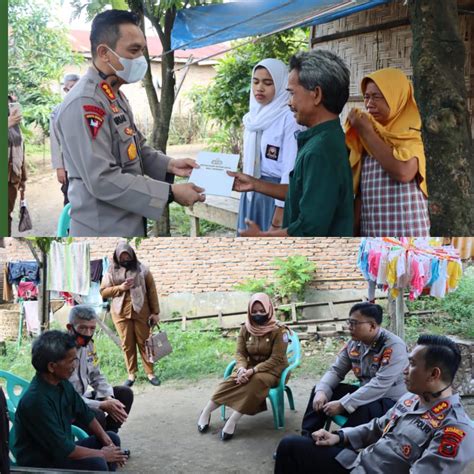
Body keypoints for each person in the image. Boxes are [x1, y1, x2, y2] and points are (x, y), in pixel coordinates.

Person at [55, 9, 205, 236]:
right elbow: (102, 179)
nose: (141, 59)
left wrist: (170, 165)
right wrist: (171, 193)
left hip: (127, 221)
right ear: (104, 52)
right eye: (133, 51)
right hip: (102, 229)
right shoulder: (85, 104)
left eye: (142, 51)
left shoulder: (114, 96)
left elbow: (136, 148)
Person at [275, 335, 474, 474]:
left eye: (412, 364)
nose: (405, 370)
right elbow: (377, 426)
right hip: (357, 465)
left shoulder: (455, 429)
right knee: (290, 446)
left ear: (434, 374)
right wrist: (338, 436)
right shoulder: (411, 398)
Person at [229, 50, 353, 237]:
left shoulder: (320, 151)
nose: (289, 102)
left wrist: (266, 237)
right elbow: (302, 194)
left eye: (292, 94)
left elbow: (310, 228)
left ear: (316, 95)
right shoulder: (321, 139)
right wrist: (255, 184)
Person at [12, 330, 128, 471]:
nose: (75, 365)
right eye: (71, 361)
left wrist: (107, 442)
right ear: (52, 366)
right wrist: (103, 454)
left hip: (60, 452)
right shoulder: (36, 401)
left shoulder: (62, 383)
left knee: (112, 438)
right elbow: (63, 449)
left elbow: (86, 414)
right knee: (97, 463)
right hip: (41, 463)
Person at [301, 303, 408, 436]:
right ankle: (307, 437)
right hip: (365, 393)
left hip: (389, 401)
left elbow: (381, 385)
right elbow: (336, 370)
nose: (349, 327)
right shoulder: (354, 343)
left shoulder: (393, 346)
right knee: (321, 391)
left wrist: (343, 404)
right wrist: (322, 390)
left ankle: (337, 444)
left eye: (354, 323)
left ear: (372, 326)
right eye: (349, 322)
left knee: (365, 407)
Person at [346, 68, 430, 236]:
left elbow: (403, 172)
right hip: (373, 231)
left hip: (408, 233)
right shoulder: (366, 136)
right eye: (366, 97)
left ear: (396, 97)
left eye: (377, 97)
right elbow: (361, 191)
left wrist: (367, 131)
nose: (369, 104)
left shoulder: (412, 134)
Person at [197, 293, 289, 440]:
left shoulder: (279, 330)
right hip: (249, 368)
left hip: (273, 371)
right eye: (254, 311)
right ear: (249, 311)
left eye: (261, 310)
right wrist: (241, 369)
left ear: (269, 309)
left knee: (255, 381)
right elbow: (240, 353)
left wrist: (253, 371)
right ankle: (206, 412)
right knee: (232, 380)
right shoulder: (245, 328)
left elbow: (276, 359)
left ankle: (233, 420)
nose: (258, 314)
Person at [237, 58, 303, 233]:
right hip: (250, 193)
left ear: (281, 85)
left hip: (275, 195)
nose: (259, 88)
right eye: (256, 81)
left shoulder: (289, 119)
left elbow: (290, 170)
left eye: (268, 83)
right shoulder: (251, 118)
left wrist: (279, 214)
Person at [100, 242, 160, 386]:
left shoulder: (143, 270)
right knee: (127, 344)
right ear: (117, 257)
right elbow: (103, 291)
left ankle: (150, 373)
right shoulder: (110, 272)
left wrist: (155, 312)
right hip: (120, 313)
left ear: (132, 255)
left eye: (128, 256)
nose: (125, 259)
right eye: (122, 257)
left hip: (141, 312)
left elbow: (152, 291)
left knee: (146, 343)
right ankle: (131, 374)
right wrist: (120, 288)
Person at [66, 304, 133, 433]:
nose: (88, 333)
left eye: (92, 328)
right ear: (70, 328)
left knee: (124, 394)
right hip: (67, 405)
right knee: (97, 415)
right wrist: (101, 405)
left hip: (83, 398)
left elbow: (96, 375)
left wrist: (108, 397)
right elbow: (66, 397)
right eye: (83, 328)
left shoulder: (89, 346)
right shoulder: (61, 352)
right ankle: (101, 445)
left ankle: (110, 438)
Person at [50, 73, 80, 206]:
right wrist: (59, 167)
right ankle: (69, 227)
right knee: (69, 200)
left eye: (77, 87)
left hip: (88, 164)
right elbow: (54, 142)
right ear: (65, 89)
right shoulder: (57, 111)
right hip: (68, 165)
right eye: (71, 87)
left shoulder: (87, 108)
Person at [7, 93, 27, 236]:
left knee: (7, 216)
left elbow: (21, 151)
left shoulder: (15, 128)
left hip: (12, 178)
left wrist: (23, 180)